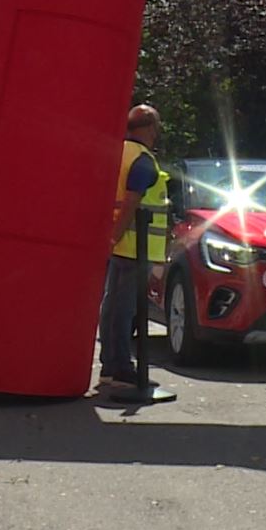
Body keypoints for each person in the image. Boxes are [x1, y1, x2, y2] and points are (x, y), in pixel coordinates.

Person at [98, 104, 169, 385]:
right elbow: (131, 202)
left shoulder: (119, 152)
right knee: (124, 308)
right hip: (132, 247)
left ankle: (109, 366)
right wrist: (115, 235)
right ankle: (121, 369)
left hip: (121, 246)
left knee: (112, 304)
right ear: (151, 128)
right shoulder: (142, 160)